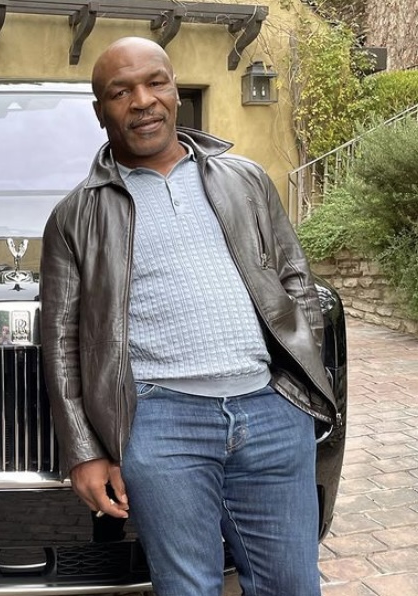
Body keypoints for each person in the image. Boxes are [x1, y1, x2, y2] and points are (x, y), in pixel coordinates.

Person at [40, 37, 337, 596]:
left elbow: (294, 278)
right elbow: (59, 342)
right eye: (120, 91)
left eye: (155, 83)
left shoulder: (245, 179)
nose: (142, 101)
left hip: (271, 414)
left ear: (176, 92)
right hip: (160, 423)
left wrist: (292, 384)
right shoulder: (74, 216)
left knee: (294, 586)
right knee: (188, 588)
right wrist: (84, 450)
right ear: (101, 110)